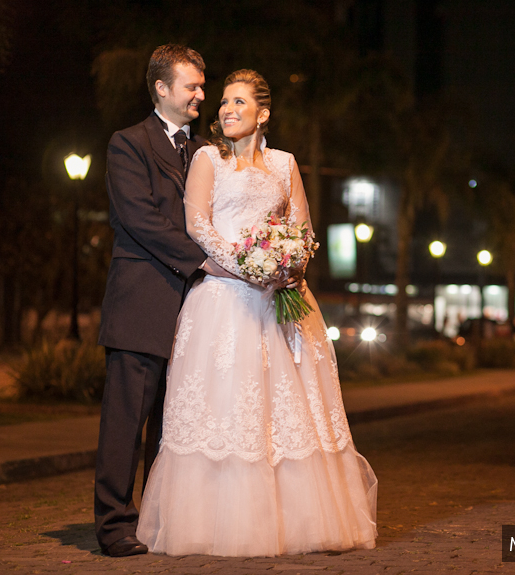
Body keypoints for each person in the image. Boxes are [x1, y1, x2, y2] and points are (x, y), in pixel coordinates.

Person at [137, 69, 378, 557]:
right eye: (223, 101)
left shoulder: (286, 164)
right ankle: (214, 519)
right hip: (223, 300)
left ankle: (296, 522)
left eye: (238, 102)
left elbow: (302, 230)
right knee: (228, 408)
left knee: (286, 411)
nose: (225, 109)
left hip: (282, 303)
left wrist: (289, 266)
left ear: (263, 113)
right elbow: (198, 225)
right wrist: (246, 266)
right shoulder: (208, 159)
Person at [95, 44, 232, 558]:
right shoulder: (127, 144)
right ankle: (114, 526)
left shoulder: (206, 153)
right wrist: (205, 260)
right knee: (126, 423)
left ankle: (156, 521)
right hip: (142, 303)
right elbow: (140, 219)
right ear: (161, 88)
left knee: (172, 425)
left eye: (202, 85)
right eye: (192, 86)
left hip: (199, 311)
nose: (202, 94)